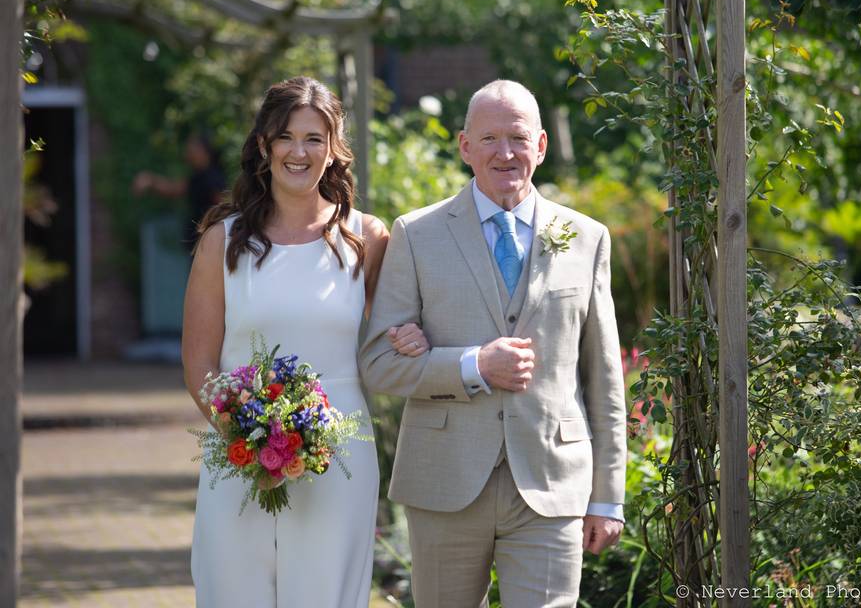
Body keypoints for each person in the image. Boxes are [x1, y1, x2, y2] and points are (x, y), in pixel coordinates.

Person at [359, 79, 627, 608]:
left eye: (518, 138)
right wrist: (472, 365)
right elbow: (379, 364)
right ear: (464, 146)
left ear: (542, 145)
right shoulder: (415, 235)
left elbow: (604, 378)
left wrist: (608, 496)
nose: (505, 153)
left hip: (551, 485)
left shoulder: (588, 237)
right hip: (445, 483)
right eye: (488, 139)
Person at [181, 76, 427, 608]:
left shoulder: (366, 237)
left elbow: (392, 334)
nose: (299, 151)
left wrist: (410, 334)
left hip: (339, 457)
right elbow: (199, 361)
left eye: (314, 138)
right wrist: (247, 441)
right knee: (233, 591)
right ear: (264, 147)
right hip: (240, 455)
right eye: (285, 137)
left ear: (334, 150)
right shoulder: (222, 242)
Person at [132, 132, 227, 250]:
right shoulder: (198, 177)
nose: (188, 151)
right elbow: (175, 189)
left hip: (209, 245)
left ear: (204, 151)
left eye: (193, 146)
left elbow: (224, 208)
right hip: (199, 243)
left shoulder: (213, 178)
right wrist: (151, 181)